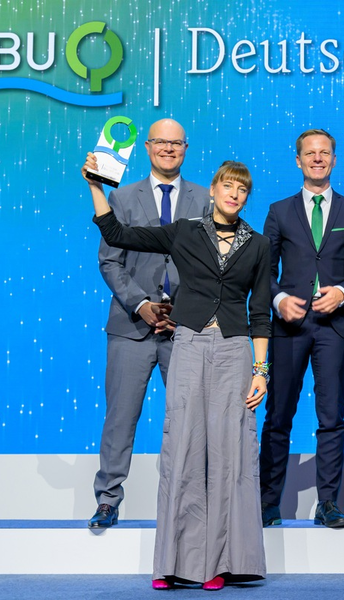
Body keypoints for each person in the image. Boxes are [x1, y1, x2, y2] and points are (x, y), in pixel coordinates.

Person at [83, 156, 270, 591]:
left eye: (243, 189)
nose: (235, 194)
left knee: (229, 455)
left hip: (234, 353)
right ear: (213, 189)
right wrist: (95, 186)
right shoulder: (185, 231)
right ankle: (174, 564)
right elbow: (118, 234)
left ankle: (223, 563)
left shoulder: (259, 246)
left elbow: (260, 315)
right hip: (187, 346)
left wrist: (261, 371)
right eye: (228, 185)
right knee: (182, 449)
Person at [89, 119, 209, 529]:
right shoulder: (121, 198)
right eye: (161, 142)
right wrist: (140, 304)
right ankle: (108, 499)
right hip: (130, 327)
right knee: (120, 417)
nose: (169, 149)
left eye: (177, 143)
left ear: (186, 148)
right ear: (147, 147)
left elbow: (213, 267)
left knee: (190, 420)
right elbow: (109, 261)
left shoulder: (207, 199)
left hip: (184, 330)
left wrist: (182, 309)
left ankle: (190, 504)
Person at [260, 129, 344, 528]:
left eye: (325, 153)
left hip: (334, 327)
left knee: (331, 417)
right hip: (288, 328)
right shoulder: (279, 211)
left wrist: (342, 292)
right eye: (310, 153)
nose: (318, 159)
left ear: (334, 159)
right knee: (278, 416)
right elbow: (263, 271)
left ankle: (328, 503)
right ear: (298, 160)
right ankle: (267, 502)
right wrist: (278, 300)